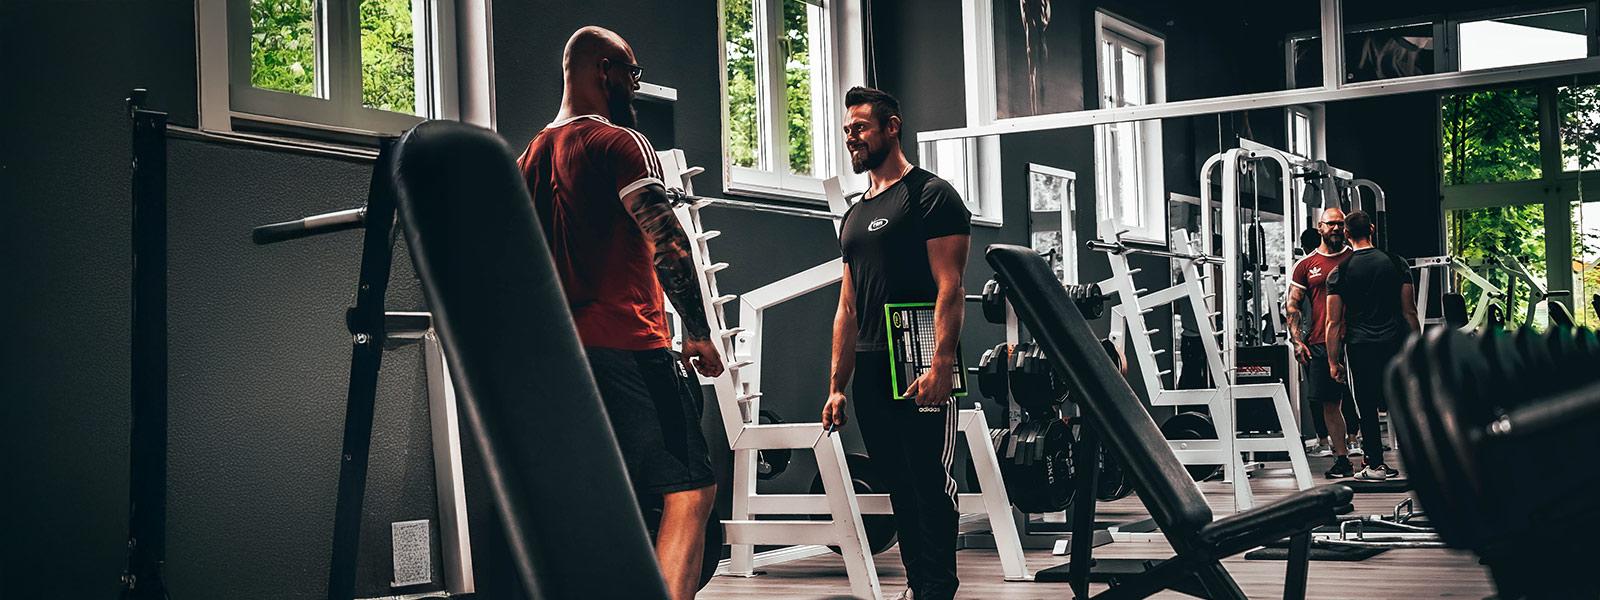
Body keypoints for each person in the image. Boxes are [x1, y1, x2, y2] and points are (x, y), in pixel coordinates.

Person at [516, 26, 723, 600]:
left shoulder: (528, 156)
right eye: (631, 72)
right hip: (630, 343)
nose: (635, 84)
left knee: (609, 495)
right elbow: (667, 241)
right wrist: (699, 332)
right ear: (603, 70)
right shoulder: (620, 142)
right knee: (691, 490)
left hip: (564, 357)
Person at [820, 86, 971, 600]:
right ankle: (918, 585)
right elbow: (847, 306)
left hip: (919, 357)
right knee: (898, 484)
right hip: (870, 366)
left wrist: (942, 364)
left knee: (929, 480)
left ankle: (937, 590)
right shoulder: (854, 215)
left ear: (892, 127)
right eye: (847, 130)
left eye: (860, 127)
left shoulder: (931, 195)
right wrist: (837, 386)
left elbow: (951, 285)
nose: (851, 137)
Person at [1326, 210, 1419, 482]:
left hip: (1360, 346)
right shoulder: (1397, 263)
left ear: (1346, 234)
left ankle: (1376, 466)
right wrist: (1418, 349)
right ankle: (1419, 464)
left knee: (1366, 407)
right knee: (1402, 403)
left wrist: (1333, 361)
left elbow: (1333, 322)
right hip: (1395, 344)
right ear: (1372, 229)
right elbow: (1410, 312)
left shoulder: (1339, 272)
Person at [1287, 211, 1360, 478]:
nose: (1336, 228)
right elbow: (1293, 305)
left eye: (1340, 224)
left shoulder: (1355, 257)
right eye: (1331, 224)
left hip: (1357, 338)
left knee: (1365, 399)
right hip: (1320, 340)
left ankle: (1371, 457)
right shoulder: (1306, 265)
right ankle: (1342, 459)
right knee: (1330, 403)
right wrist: (1297, 341)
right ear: (1320, 227)